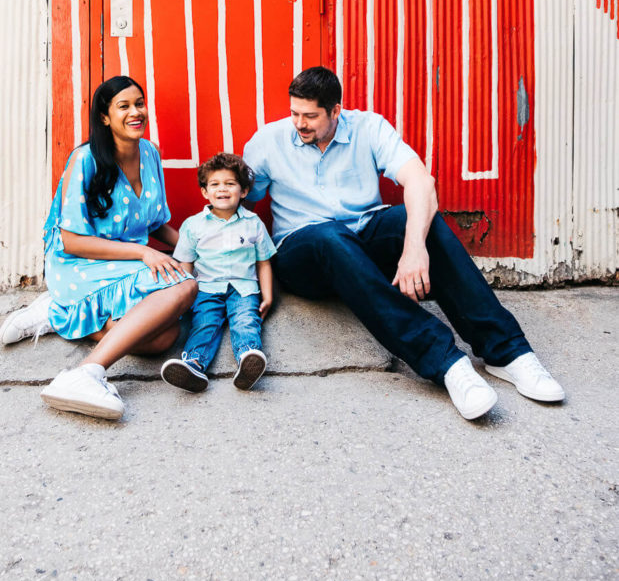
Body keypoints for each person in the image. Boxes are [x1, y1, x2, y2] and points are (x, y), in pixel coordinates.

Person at [242, 66, 565, 421]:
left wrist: (414, 248)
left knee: (416, 219)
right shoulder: (267, 143)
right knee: (329, 235)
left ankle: (508, 352)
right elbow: (239, 207)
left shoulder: (368, 127)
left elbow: (420, 181)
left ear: (336, 111)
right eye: (295, 114)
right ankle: (446, 363)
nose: (300, 124)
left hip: (360, 238)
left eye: (310, 116)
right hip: (302, 251)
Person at [0, 76, 197, 420]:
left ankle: (61, 314)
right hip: (78, 263)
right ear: (105, 117)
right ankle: (85, 373)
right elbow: (71, 240)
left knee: (164, 339)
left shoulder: (149, 153)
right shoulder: (85, 160)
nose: (136, 112)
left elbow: (155, 224)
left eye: (139, 103)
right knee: (185, 285)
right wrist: (144, 253)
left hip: (123, 263)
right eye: (124, 106)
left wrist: (197, 247)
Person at [161, 152, 276, 393]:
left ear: (243, 191)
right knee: (205, 323)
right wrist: (184, 296)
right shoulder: (194, 225)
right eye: (215, 184)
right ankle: (193, 365)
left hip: (244, 288)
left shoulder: (253, 223)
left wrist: (267, 296)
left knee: (246, 321)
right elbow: (185, 263)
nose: (222, 190)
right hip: (206, 288)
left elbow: (263, 262)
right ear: (205, 192)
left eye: (230, 184)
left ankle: (248, 359)